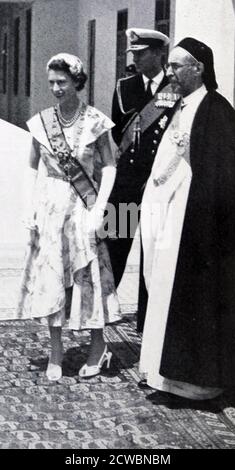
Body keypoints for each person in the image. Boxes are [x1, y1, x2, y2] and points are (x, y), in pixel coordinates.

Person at [139, 37, 235, 400]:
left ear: (198, 68)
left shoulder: (216, 110)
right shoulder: (179, 106)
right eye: (169, 66)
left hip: (197, 226)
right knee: (163, 290)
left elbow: (221, 174)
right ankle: (163, 374)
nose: (170, 73)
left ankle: (196, 385)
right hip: (171, 218)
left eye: (177, 66)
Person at [17, 53, 121, 381]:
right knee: (52, 280)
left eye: (62, 82)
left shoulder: (95, 121)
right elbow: (31, 167)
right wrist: (30, 205)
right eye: (51, 82)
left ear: (77, 81)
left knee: (88, 277)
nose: (56, 88)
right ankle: (56, 351)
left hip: (83, 207)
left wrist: (101, 208)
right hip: (51, 207)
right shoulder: (41, 122)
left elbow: (109, 165)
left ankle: (96, 347)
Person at [107, 28, 179, 332]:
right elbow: (115, 132)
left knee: (154, 248)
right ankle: (106, 304)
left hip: (160, 183)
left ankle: (147, 318)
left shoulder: (175, 88)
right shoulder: (125, 87)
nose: (136, 58)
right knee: (115, 243)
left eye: (142, 53)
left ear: (159, 54)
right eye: (133, 54)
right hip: (127, 183)